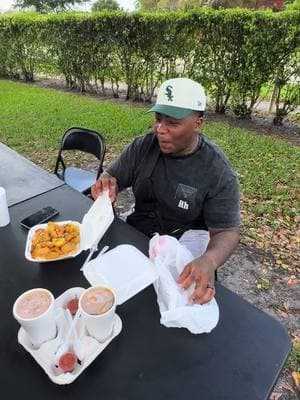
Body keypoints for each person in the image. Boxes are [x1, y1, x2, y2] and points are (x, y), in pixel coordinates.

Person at [92, 77, 240, 305]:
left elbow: (227, 232)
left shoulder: (217, 171)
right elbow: (111, 177)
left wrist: (209, 261)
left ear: (198, 123)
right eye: (158, 119)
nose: (160, 129)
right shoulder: (143, 147)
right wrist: (106, 183)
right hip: (139, 231)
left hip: (184, 242)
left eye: (172, 122)